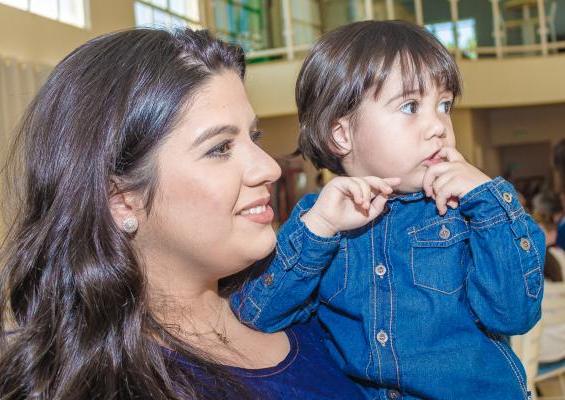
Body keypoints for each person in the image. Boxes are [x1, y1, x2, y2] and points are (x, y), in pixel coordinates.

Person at [0, 28, 367, 400]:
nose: (269, 168)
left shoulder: (326, 301)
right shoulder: (80, 385)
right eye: (220, 148)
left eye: (253, 136)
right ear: (122, 199)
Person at [230, 20, 545, 399]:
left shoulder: (468, 212)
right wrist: (319, 228)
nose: (439, 126)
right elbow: (258, 314)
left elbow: (515, 315)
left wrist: (488, 201)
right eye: (410, 106)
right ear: (342, 134)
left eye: (444, 105)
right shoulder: (319, 221)